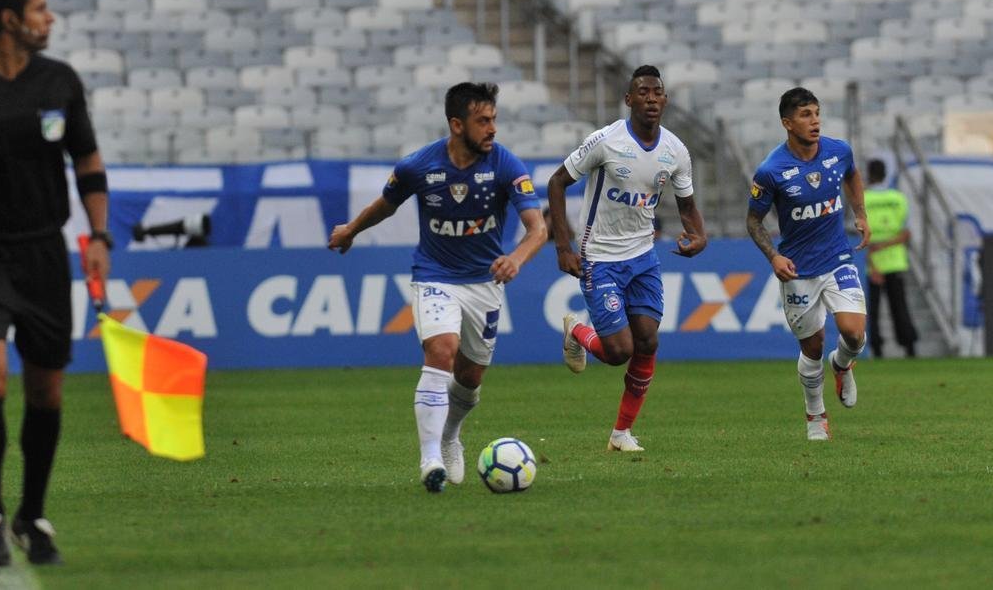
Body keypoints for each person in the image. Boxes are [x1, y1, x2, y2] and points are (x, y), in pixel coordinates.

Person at [0, 0, 111, 566]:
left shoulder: (59, 81)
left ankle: (31, 516)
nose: (50, 17)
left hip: (44, 252)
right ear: (9, 20)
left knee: (46, 391)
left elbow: (87, 160)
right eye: (40, 9)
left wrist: (98, 235)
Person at [328, 82, 546, 491]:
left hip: (484, 282)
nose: (492, 128)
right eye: (483, 121)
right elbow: (386, 205)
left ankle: (449, 436)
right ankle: (430, 459)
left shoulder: (505, 164)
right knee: (441, 349)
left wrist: (515, 259)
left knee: (470, 377)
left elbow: (538, 229)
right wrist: (351, 229)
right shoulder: (419, 166)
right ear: (457, 124)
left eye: (494, 119)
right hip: (435, 275)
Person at [547, 65, 707, 452]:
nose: (651, 98)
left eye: (657, 92)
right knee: (620, 352)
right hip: (599, 257)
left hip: (643, 256)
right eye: (643, 92)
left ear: (665, 100)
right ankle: (577, 332)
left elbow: (686, 205)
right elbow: (556, 182)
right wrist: (564, 247)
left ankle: (621, 434)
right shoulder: (605, 141)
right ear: (629, 99)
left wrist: (698, 235)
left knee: (648, 342)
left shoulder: (675, 150)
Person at [746, 87, 870, 441]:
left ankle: (842, 364)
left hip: (837, 258)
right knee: (812, 347)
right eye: (805, 115)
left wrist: (860, 213)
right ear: (787, 123)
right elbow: (753, 221)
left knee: (854, 333)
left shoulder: (838, 151)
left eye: (816, 113)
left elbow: (851, 174)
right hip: (799, 269)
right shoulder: (771, 171)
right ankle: (816, 415)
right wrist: (774, 256)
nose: (815, 121)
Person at [863, 158, 918, 358]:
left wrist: (873, 264)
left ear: (869, 174)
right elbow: (906, 233)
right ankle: (910, 347)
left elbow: (860, 237)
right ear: (886, 174)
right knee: (900, 308)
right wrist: (887, 245)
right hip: (896, 260)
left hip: (873, 262)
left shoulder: (863, 199)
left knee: (874, 310)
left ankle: (877, 349)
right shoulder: (898, 198)